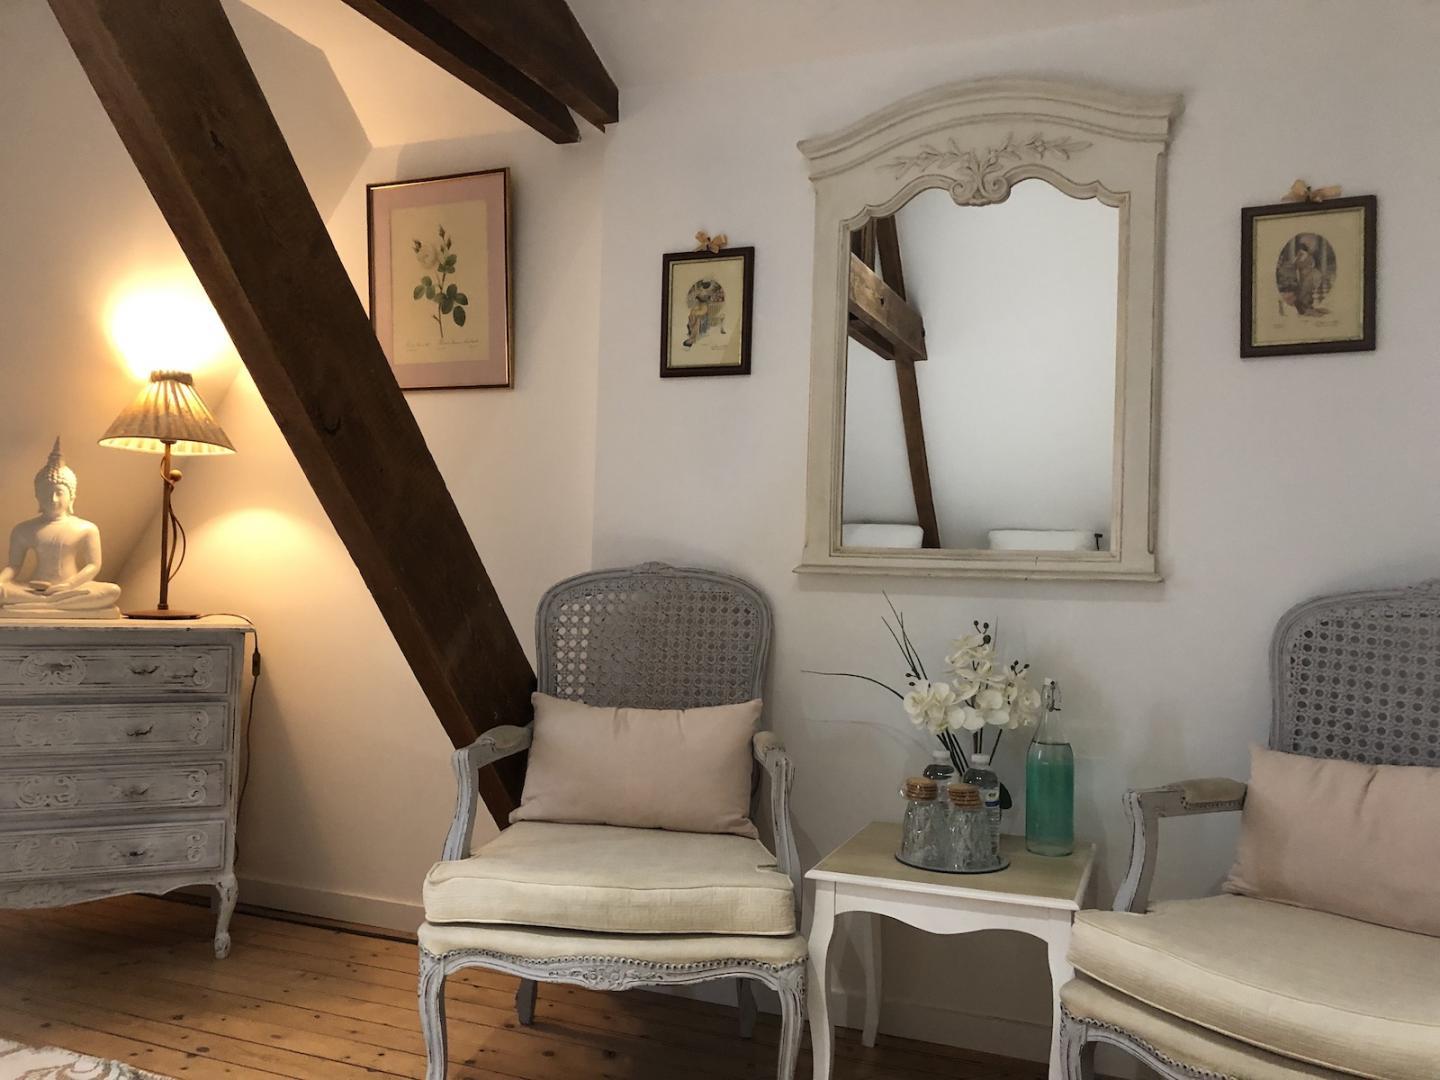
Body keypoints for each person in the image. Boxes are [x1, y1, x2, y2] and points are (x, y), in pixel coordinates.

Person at [0, 439, 121, 618]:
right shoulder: (24, 529)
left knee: (112, 591)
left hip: (72, 588)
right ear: (37, 495)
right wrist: (1, 581)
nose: (53, 499)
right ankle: (52, 604)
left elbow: (93, 565)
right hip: (33, 590)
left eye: (59, 492)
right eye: (46, 492)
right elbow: (13, 566)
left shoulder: (86, 528)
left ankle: (39, 606)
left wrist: (69, 585)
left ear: (72, 495)